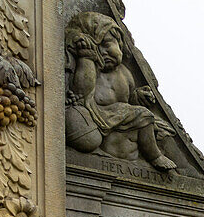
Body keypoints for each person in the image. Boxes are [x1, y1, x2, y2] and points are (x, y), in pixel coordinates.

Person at [65, 12, 176, 170]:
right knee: (145, 115)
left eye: (107, 44)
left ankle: (157, 153)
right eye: (97, 46)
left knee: (159, 126)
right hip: (98, 115)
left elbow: (128, 98)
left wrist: (138, 96)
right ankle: (154, 156)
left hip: (121, 115)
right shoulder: (91, 69)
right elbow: (82, 93)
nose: (103, 51)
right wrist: (86, 56)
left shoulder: (124, 72)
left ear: (120, 43)